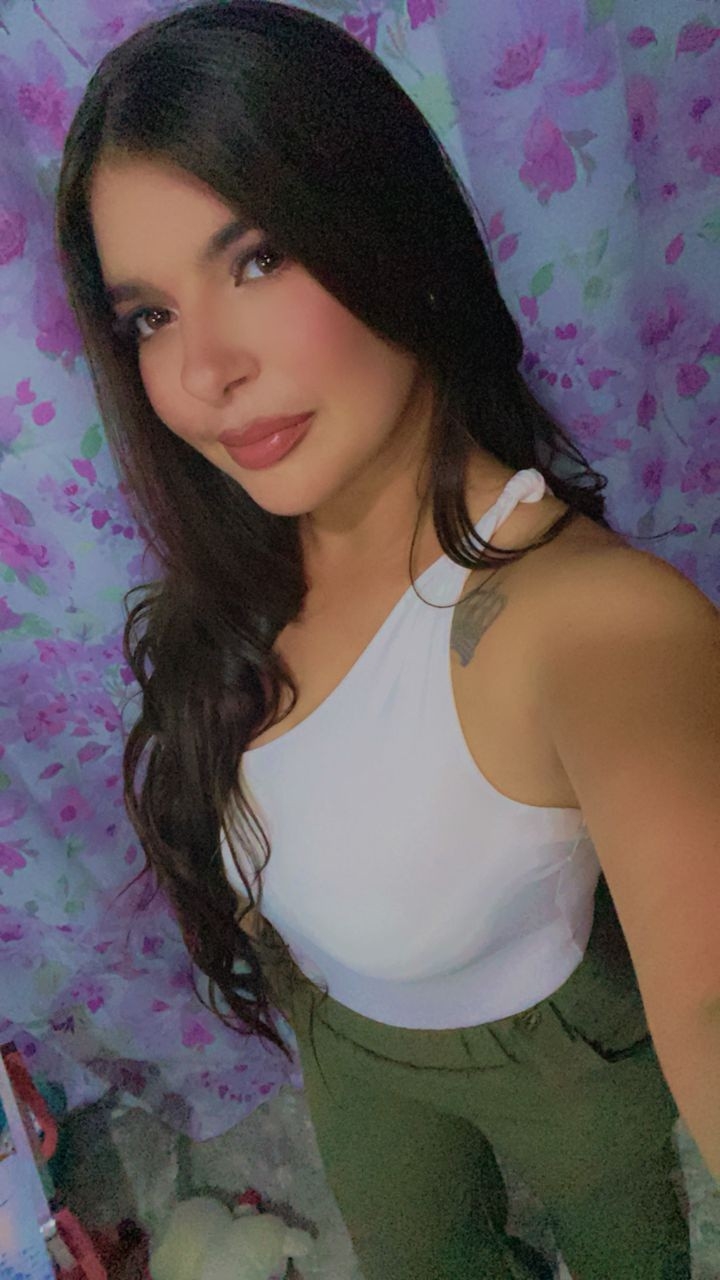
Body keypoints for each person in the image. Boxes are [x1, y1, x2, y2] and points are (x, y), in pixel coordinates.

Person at [55, 3, 720, 1276]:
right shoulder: (246, 558)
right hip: (345, 1036)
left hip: (560, 1059)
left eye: (257, 260)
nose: (202, 372)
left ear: (391, 233)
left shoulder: (595, 624)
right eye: (149, 314)